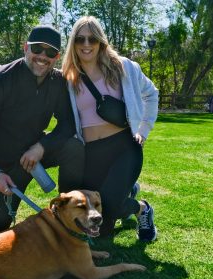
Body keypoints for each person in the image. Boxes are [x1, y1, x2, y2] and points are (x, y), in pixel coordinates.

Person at [0, 25, 84, 234]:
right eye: (37, 49)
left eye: (50, 52)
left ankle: (69, 213)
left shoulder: (59, 82)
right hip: (1, 162)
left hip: (33, 154)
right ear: (25, 48)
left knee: (74, 147)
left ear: (57, 57)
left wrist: (41, 147)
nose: (43, 56)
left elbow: (68, 124)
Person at [62, 16, 159, 241]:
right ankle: (125, 191)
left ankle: (142, 209)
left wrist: (143, 129)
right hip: (91, 152)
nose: (86, 44)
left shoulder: (123, 67)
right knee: (97, 226)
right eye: (80, 39)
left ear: (101, 42)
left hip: (124, 147)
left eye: (92, 39)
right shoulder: (69, 78)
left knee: (108, 208)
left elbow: (151, 94)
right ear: (73, 43)